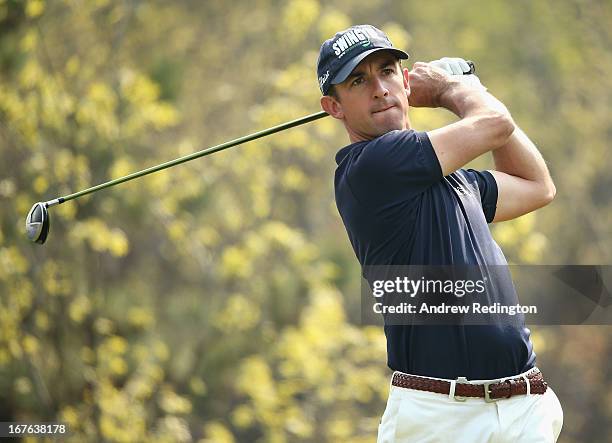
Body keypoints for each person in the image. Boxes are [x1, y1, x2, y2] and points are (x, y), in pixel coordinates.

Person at [317, 24, 563, 442]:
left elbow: (538, 185)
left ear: (406, 81)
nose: (380, 89)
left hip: (524, 407)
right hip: (441, 417)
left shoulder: (456, 182)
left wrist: (469, 89)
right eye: (359, 81)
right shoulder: (372, 166)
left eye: (389, 71)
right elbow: (494, 123)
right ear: (334, 107)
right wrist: (454, 90)